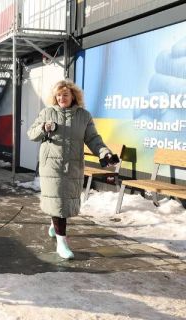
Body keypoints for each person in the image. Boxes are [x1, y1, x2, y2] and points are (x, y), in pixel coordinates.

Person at [27, 79, 118, 260]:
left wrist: (104, 153)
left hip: (73, 165)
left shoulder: (83, 116)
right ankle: (62, 243)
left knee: (63, 203)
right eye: (58, 95)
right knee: (58, 201)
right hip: (51, 165)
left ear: (73, 96)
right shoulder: (47, 113)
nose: (62, 98)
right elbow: (31, 134)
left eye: (65, 94)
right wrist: (44, 128)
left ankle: (54, 225)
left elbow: (93, 139)